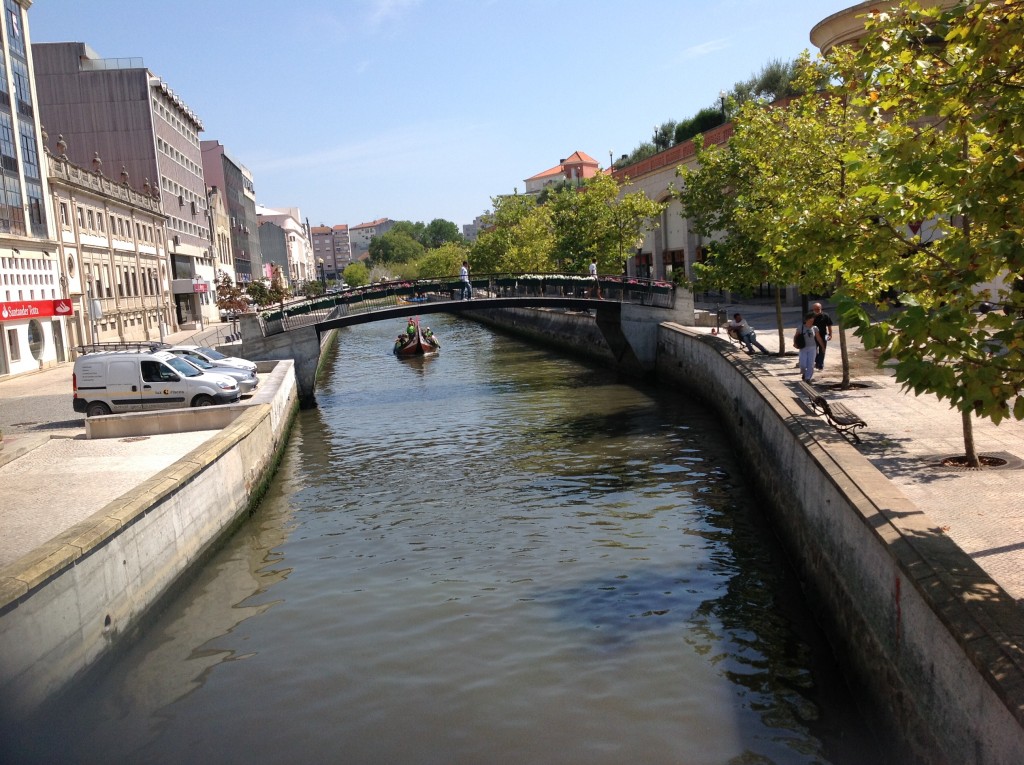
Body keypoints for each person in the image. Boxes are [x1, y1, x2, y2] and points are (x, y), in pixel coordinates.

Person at [796, 312, 826, 383]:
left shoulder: (815, 328)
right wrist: (795, 343)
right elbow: (796, 336)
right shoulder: (801, 327)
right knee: (803, 364)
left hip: (812, 348)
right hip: (803, 347)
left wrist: (822, 346)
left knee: (811, 364)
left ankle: (808, 378)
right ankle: (804, 373)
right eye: (810, 321)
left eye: (812, 321)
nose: (811, 322)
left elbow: (818, 338)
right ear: (806, 320)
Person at [811, 302, 834, 371]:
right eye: (815, 309)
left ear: (821, 308)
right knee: (813, 350)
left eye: (818, 309)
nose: (816, 310)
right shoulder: (811, 316)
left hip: (823, 335)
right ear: (813, 309)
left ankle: (820, 364)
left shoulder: (825, 316)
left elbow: (829, 325)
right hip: (813, 335)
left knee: (822, 349)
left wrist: (830, 334)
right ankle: (817, 361)